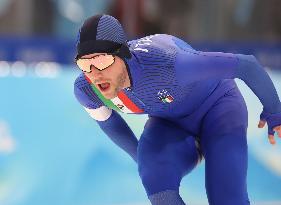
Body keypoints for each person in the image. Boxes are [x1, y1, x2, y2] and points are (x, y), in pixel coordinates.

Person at [73, 14, 281, 205]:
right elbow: (110, 124)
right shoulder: (86, 89)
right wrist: (146, 161)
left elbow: (247, 65)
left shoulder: (169, 65)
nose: (95, 73)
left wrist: (274, 112)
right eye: (85, 64)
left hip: (219, 107)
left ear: (123, 54)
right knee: (154, 175)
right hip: (171, 123)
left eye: (101, 60)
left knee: (225, 196)